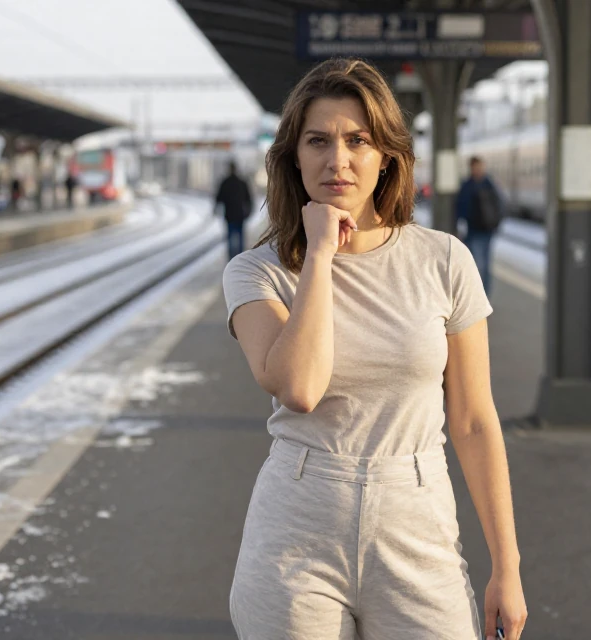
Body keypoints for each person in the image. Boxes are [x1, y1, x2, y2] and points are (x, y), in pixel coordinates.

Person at [222, 58, 528, 640]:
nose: (337, 159)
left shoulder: (444, 261)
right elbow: (300, 387)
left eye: (357, 140)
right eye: (318, 141)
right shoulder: (256, 274)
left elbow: (472, 420)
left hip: (417, 523)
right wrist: (317, 255)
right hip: (297, 528)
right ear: (293, 156)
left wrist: (506, 568)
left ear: (386, 155)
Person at [456, 156, 504, 295]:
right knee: (480, 263)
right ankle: (481, 295)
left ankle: (482, 296)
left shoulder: (473, 184)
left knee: (482, 264)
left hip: (483, 229)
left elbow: (460, 207)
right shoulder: (488, 183)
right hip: (474, 229)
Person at [215, 161, 254, 260]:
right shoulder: (242, 182)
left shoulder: (225, 182)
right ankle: (240, 258)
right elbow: (249, 199)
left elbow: (218, 198)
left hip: (229, 215)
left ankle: (231, 259)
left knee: (230, 238)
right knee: (240, 237)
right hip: (240, 215)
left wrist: (216, 208)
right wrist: (249, 212)